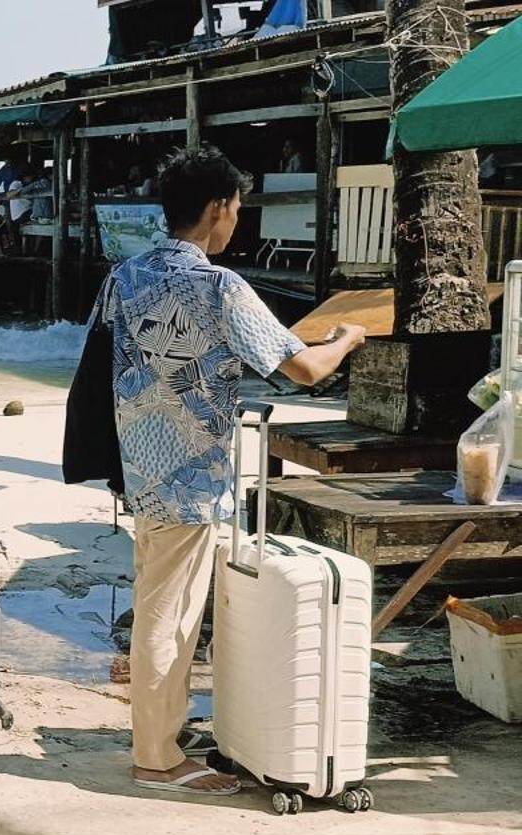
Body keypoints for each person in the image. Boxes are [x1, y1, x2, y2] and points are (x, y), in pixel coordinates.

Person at [99, 147, 366, 797]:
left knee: (163, 607)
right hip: (191, 480)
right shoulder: (219, 287)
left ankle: (161, 732)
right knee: (170, 618)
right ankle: (156, 758)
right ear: (218, 207)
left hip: (141, 469)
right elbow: (303, 369)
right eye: (238, 208)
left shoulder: (126, 276)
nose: (238, 220)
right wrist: (348, 337)